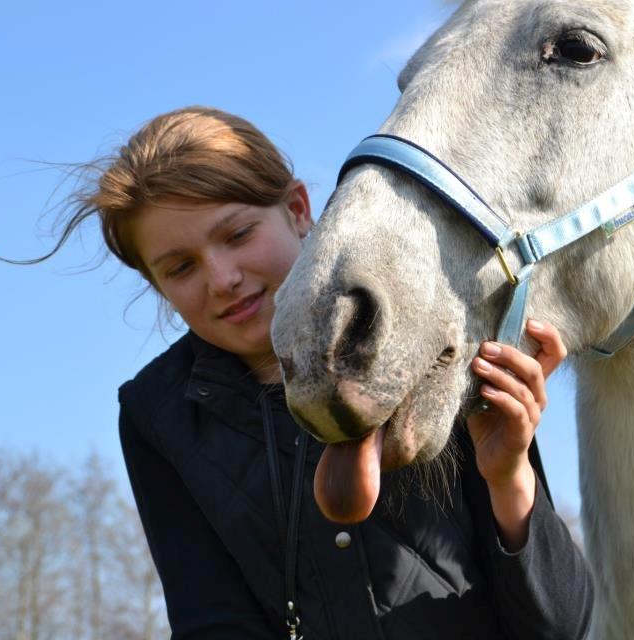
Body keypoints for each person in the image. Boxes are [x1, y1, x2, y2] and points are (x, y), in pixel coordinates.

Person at [49, 106, 593, 639]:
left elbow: (564, 622)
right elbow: (210, 619)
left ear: (298, 209)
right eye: (181, 267)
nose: (222, 278)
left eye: (237, 234)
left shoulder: (426, 335)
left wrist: (508, 475)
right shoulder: (157, 413)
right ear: (156, 284)